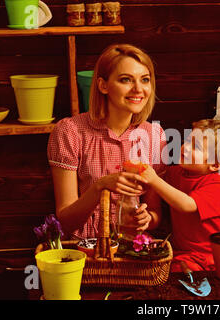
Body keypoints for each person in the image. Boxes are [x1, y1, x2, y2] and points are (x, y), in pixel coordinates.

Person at [47, 44, 167, 240]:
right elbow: (66, 221)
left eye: (145, 80)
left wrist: (147, 218)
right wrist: (100, 186)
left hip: (133, 249)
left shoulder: (155, 135)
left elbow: (155, 214)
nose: (138, 89)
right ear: (103, 85)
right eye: (126, 80)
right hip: (86, 251)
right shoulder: (70, 131)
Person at [141, 119, 220, 272]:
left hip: (205, 256)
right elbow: (157, 179)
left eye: (195, 146)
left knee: (176, 271)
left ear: (215, 164)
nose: (186, 148)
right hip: (180, 250)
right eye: (188, 140)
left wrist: (154, 180)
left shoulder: (216, 183)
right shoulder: (178, 172)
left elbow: (187, 205)